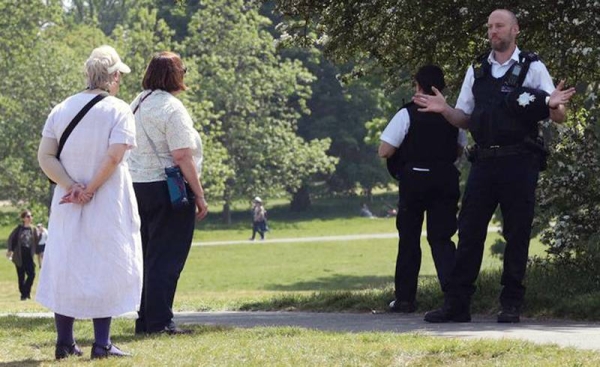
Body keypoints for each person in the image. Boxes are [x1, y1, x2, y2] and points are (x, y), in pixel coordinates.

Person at [414, 9, 576, 323]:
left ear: (515, 30)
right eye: (489, 27)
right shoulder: (477, 70)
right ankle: (458, 305)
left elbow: (557, 114)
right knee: (469, 231)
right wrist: (444, 109)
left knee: (517, 233)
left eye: (499, 26)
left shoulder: (532, 66)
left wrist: (556, 105)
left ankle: (511, 303)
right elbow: (464, 117)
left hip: (520, 160)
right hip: (484, 162)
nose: (493, 31)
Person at [37, 45, 142, 359]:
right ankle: (102, 342)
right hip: (108, 198)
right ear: (110, 77)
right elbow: (114, 156)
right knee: (105, 263)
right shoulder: (119, 109)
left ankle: (65, 342)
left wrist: (72, 186)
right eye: (119, 76)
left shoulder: (61, 109)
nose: (120, 82)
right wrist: (91, 189)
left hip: (67, 200)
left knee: (66, 263)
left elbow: (46, 156)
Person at [128, 51, 208, 335]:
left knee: (148, 256)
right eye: (182, 70)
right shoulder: (172, 108)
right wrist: (199, 194)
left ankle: (145, 320)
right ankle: (160, 322)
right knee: (167, 258)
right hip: (169, 189)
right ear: (174, 75)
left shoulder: (136, 103)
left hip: (137, 187)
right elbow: (182, 155)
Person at [379, 65, 467, 313]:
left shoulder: (407, 114)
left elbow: (385, 150)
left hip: (413, 182)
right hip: (444, 180)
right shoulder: (453, 117)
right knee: (442, 239)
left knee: (409, 239)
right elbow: (459, 150)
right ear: (442, 87)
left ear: (417, 85)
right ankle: (454, 297)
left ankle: (405, 299)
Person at [6, 210, 39, 301]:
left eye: (31, 216)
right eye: (28, 216)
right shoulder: (19, 229)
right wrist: (10, 250)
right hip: (19, 255)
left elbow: (37, 240)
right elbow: (11, 239)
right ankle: (24, 295)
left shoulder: (34, 229)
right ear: (23, 218)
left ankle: (26, 291)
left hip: (29, 255)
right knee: (21, 276)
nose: (30, 218)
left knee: (32, 274)